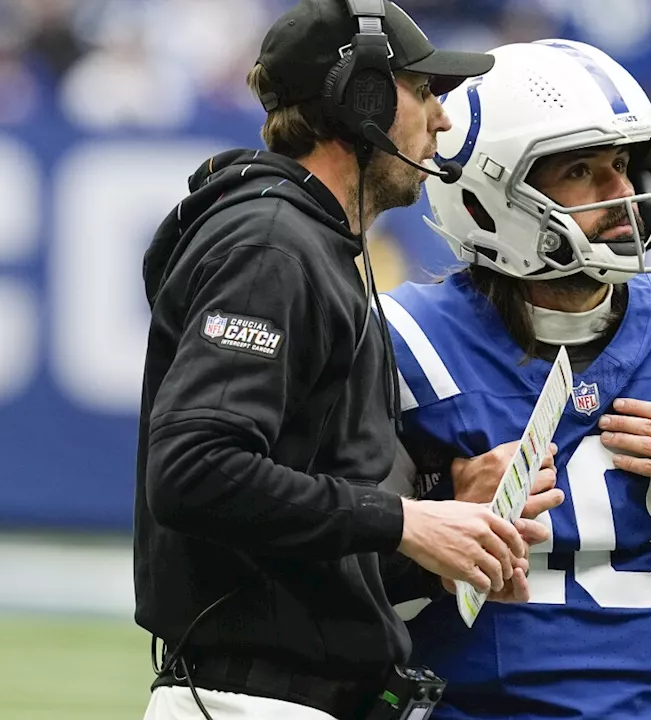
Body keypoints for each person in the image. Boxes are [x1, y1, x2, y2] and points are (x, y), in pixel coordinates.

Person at [133, 3, 549, 719]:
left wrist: (437, 530)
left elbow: (287, 528)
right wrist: (405, 523)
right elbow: (194, 470)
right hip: (253, 700)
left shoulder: (308, 244)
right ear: (363, 99)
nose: (442, 120)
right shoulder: (272, 245)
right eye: (424, 91)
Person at [380, 40, 651, 718]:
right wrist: (437, 531)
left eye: (625, 165)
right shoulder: (404, 345)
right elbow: (334, 597)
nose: (624, 195)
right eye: (582, 169)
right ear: (489, 198)